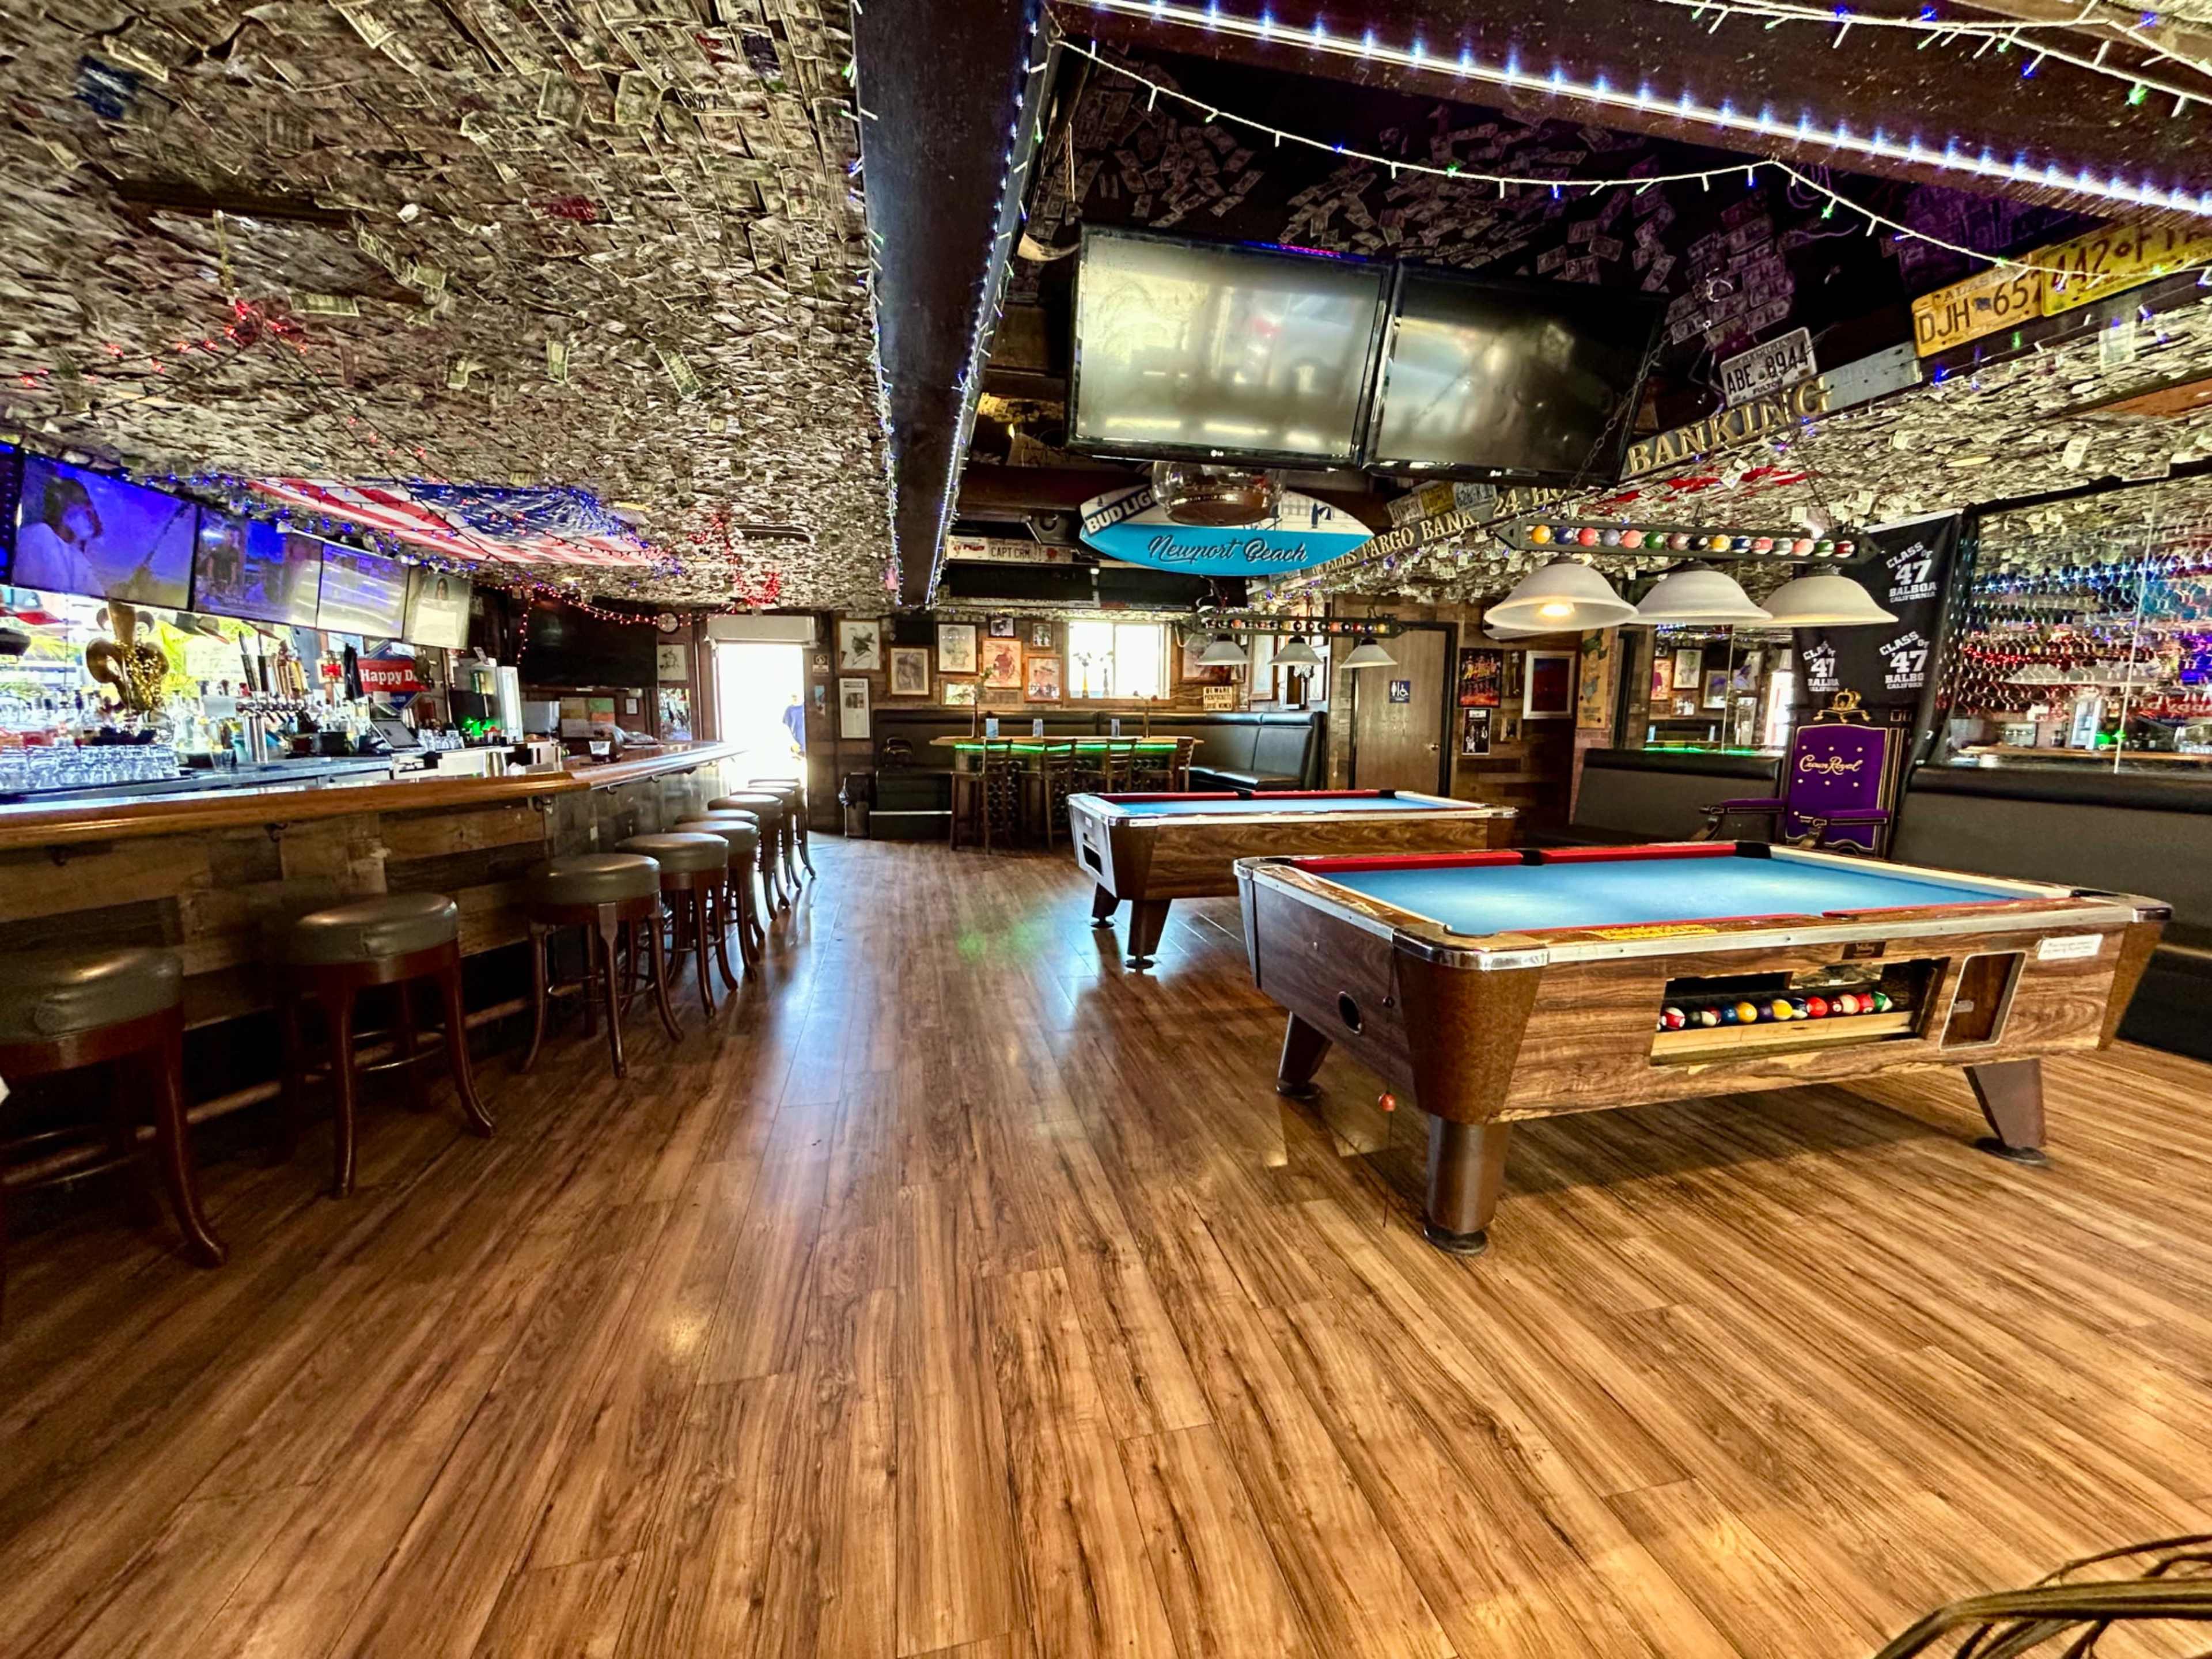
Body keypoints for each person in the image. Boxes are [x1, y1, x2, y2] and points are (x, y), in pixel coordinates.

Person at [13, 474, 102, 596]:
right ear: (66, 507)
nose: (92, 520)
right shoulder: (39, 534)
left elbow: (99, 597)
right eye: (86, 511)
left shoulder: (76, 556)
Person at [782, 691, 806, 755]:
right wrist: (792, 743)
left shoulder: (806, 707)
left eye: (796, 696)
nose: (795, 698)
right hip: (798, 748)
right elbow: (786, 728)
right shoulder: (789, 710)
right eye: (793, 696)